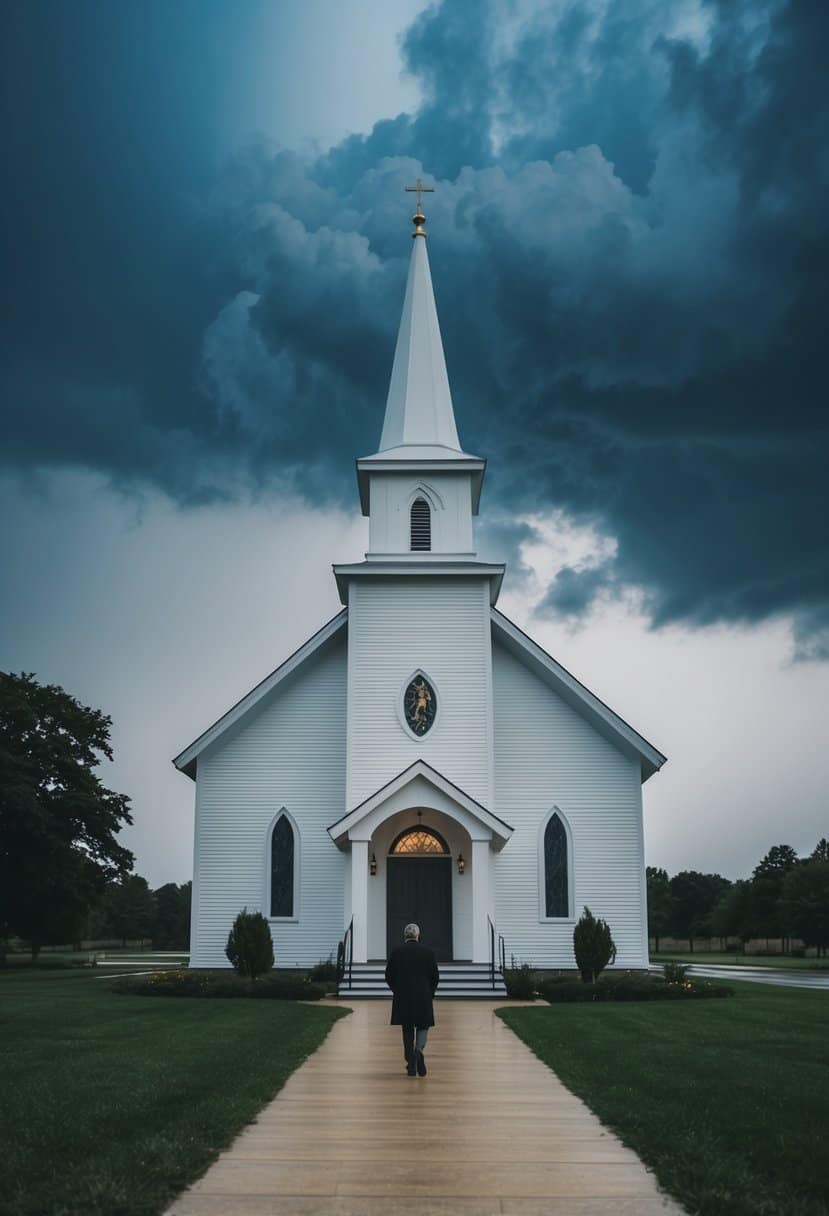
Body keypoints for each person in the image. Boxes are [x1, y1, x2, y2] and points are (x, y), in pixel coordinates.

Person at [385, 923, 439, 1076]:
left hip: (403, 996)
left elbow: (389, 976)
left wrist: (397, 990)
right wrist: (430, 993)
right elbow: (435, 976)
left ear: (405, 936)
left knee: (407, 1028)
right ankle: (418, 1050)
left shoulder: (396, 952)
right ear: (417, 935)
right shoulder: (428, 953)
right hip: (423, 995)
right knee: (423, 1025)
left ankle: (411, 1064)